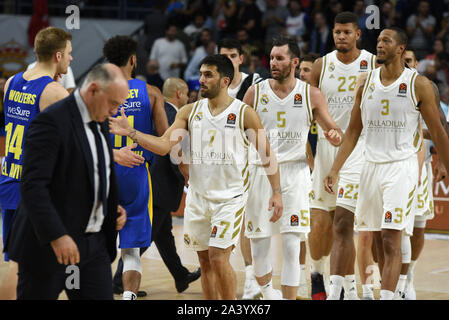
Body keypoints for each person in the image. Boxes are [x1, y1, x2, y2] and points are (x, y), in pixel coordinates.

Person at [109, 54, 283, 300]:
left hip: (230, 199)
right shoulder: (189, 112)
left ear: (224, 81)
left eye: (208, 75)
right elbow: (162, 145)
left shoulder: (244, 113)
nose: (201, 80)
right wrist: (132, 132)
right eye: (201, 73)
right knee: (205, 261)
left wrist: (276, 192)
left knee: (218, 257)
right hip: (198, 198)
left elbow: (267, 155)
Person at [325, 27, 449, 300]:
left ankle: (392, 294)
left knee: (392, 238)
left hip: (400, 168)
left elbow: (438, 132)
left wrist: (447, 166)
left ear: (401, 49)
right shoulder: (365, 82)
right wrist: (335, 169)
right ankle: (354, 290)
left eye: (386, 41)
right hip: (369, 166)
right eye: (378, 40)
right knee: (375, 238)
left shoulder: (419, 84)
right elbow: (353, 133)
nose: (380, 45)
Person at [5, 63, 128, 300]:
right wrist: (57, 235)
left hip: (93, 246)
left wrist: (108, 207)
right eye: (113, 103)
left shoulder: (100, 117)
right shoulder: (51, 121)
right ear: (93, 90)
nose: (115, 111)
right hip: (49, 245)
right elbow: (32, 186)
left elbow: (93, 170)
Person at [243, 36, 343, 300]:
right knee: (259, 247)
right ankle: (266, 292)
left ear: (295, 62)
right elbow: (238, 133)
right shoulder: (256, 91)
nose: (273, 62)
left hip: (295, 172)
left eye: (280, 58)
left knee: (291, 244)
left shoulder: (310, 94)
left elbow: (333, 129)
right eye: (272, 57)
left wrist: (334, 135)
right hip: (260, 172)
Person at [0, 26, 73, 300]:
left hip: (9, 181)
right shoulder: (54, 92)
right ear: (57, 55)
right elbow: (76, 147)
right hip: (34, 191)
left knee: (17, 264)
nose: (71, 58)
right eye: (68, 53)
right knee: (33, 269)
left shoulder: (11, 82)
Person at [308, 12, 376, 300]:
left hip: (361, 150)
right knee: (322, 222)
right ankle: (316, 273)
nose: (341, 36)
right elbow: (309, 102)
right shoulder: (322, 65)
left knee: (353, 225)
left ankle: (352, 286)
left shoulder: (372, 62)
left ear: (358, 34)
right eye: (337, 32)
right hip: (327, 148)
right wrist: (326, 128)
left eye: (347, 32)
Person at [103, 35, 169, 300]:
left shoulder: (93, 90)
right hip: (135, 171)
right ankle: (129, 297)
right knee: (130, 249)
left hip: (102, 169)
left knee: (91, 239)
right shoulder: (151, 93)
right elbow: (166, 141)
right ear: (133, 59)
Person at [218, 37, 263, 300]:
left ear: (240, 58)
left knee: (249, 221)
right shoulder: (211, 85)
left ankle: (251, 277)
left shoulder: (254, 82)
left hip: (248, 160)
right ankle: (220, 277)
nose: (229, 60)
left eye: (233, 56)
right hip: (218, 162)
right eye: (224, 56)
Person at [149, 77, 201, 293]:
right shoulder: (176, 117)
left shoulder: (156, 112)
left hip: (153, 181)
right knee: (147, 236)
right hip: (163, 184)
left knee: (163, 234)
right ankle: (117, 280)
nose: (189, 96)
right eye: (187, 92)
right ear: (179, 93)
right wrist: (186, 179)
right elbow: (175, 155)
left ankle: (180, 276)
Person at [296, 52, 319, 300]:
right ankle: (302, 277)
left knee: (325, 228)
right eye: (300, 69)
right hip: (304, 169)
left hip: (327, 167)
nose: (302, 74)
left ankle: (326, 276)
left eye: (307, 70)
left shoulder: (321, 97)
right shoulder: (293, 96)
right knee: (300, 228)